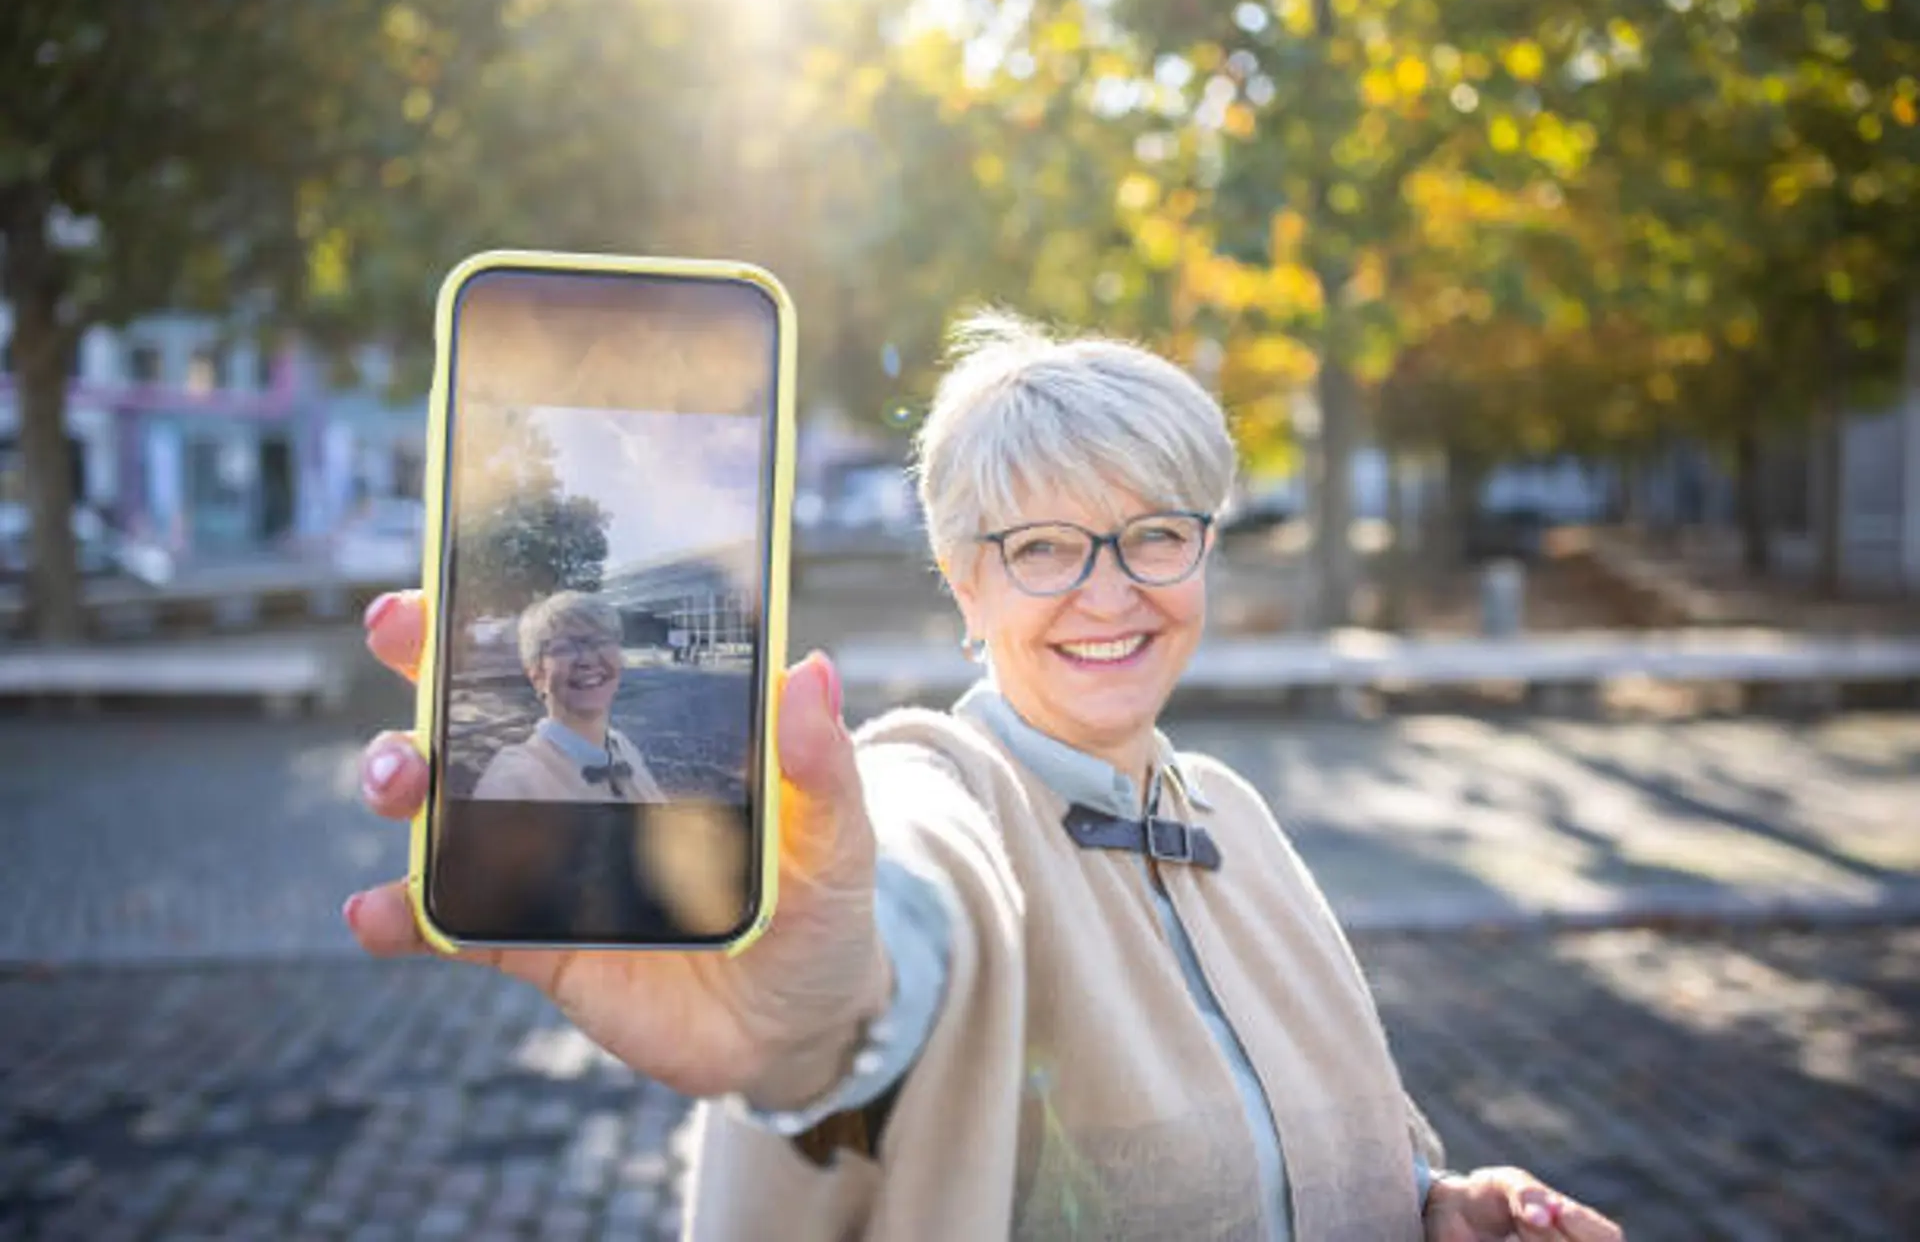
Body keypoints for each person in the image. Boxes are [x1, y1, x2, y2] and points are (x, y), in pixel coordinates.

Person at [347, 313, 1625, 1241]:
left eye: (1156, 535)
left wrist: (1437, 1208)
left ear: (1205, 552)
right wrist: (817, 987)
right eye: (1044, 546)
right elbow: (901, 909)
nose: (1109, 588)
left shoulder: (1234, 814)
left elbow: (1317, 1157)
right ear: (965, 584)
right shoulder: (943, 786)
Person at [469, 590, 667, 803]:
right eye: (564, 647)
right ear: (537, 675)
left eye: (600, 641)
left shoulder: (622, 746)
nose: (588, 659)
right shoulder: (511, 783)